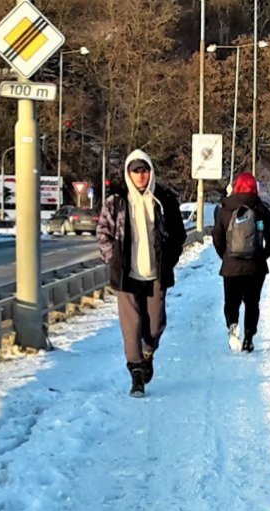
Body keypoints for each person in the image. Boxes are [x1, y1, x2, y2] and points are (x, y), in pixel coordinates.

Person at [97, 149, 186, 397]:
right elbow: (103, 233)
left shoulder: (164, 199)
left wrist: (169, 260)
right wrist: (113, 259)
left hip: (156, 274)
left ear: (151, 172)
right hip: (127, 275)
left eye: (144, 170)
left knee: (155, 324)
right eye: (135, 171)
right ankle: (136, 373)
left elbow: (178, 234)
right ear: (128, 173)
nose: (140, 176)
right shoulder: (116, 201)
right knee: (131, 325)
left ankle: (148, 352)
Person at [212, 172, 270, 353]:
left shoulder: (226, 209)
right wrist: (264, 255)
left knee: (231, 301)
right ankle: (249, 337)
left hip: (231, 266)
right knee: (252, 303)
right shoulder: (260, 208)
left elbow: (217, 237)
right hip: (255, 266)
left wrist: (225, 256)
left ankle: (233, 326)